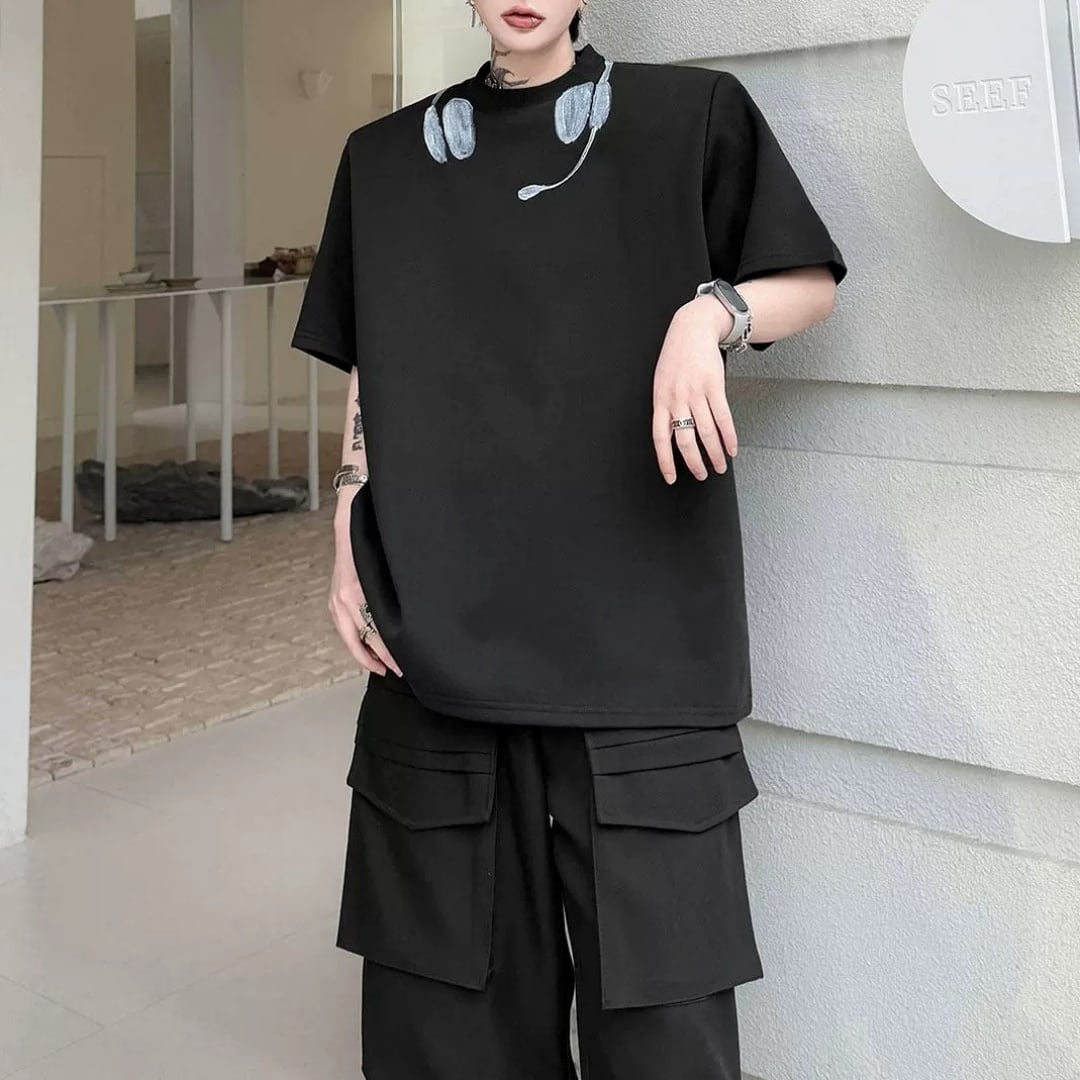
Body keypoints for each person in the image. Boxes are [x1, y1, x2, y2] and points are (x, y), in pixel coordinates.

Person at [292, 1, 847, 1076]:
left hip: (645, 655)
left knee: (666, 1042)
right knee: (447, 1034)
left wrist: (708, 316)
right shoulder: (382, 161)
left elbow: (808, 283)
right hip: (436, 643)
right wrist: (346, 518)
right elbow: (372, 359)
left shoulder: (692, 115)